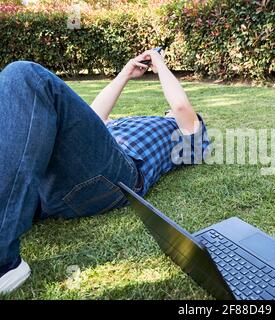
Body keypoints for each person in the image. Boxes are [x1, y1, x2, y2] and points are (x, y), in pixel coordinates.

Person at [0, 49, 210, 294]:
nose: (168, 111)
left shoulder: (188, 138)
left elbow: (182, 107)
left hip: (119, 177)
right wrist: (126, 73)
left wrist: (160, 64)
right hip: (62, 182)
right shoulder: (132, 122)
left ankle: (5, 263)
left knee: (26, 74)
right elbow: (95, 116)